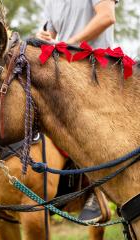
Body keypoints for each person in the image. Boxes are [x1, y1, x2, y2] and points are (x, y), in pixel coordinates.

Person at [36, 0, 119, 223]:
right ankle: (62, 185)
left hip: (98, 68)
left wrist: (68, 43)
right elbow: (50, 32)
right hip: (65, 70)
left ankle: (96, 191)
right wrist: (44, 37)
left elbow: (107, 16)